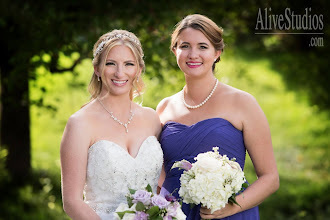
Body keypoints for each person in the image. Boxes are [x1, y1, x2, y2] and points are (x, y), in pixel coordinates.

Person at [157, 14, 279, 219]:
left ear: (217, 53)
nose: (193, 54)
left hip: (229, 214)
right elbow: (157, 172)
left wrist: (232, 207)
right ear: (174, 50)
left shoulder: (243, 103)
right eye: (185, 46)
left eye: (203, 47)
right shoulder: (164, 108)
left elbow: (270, 178)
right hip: (175, 214)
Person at [60, 29, 163, 220]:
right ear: (97, 68)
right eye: (110, 64)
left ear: (139, 70)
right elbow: (72, 202)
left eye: (128, 64)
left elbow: (160, 185)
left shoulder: (152, 119)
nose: (119, 72)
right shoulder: (80, 123)